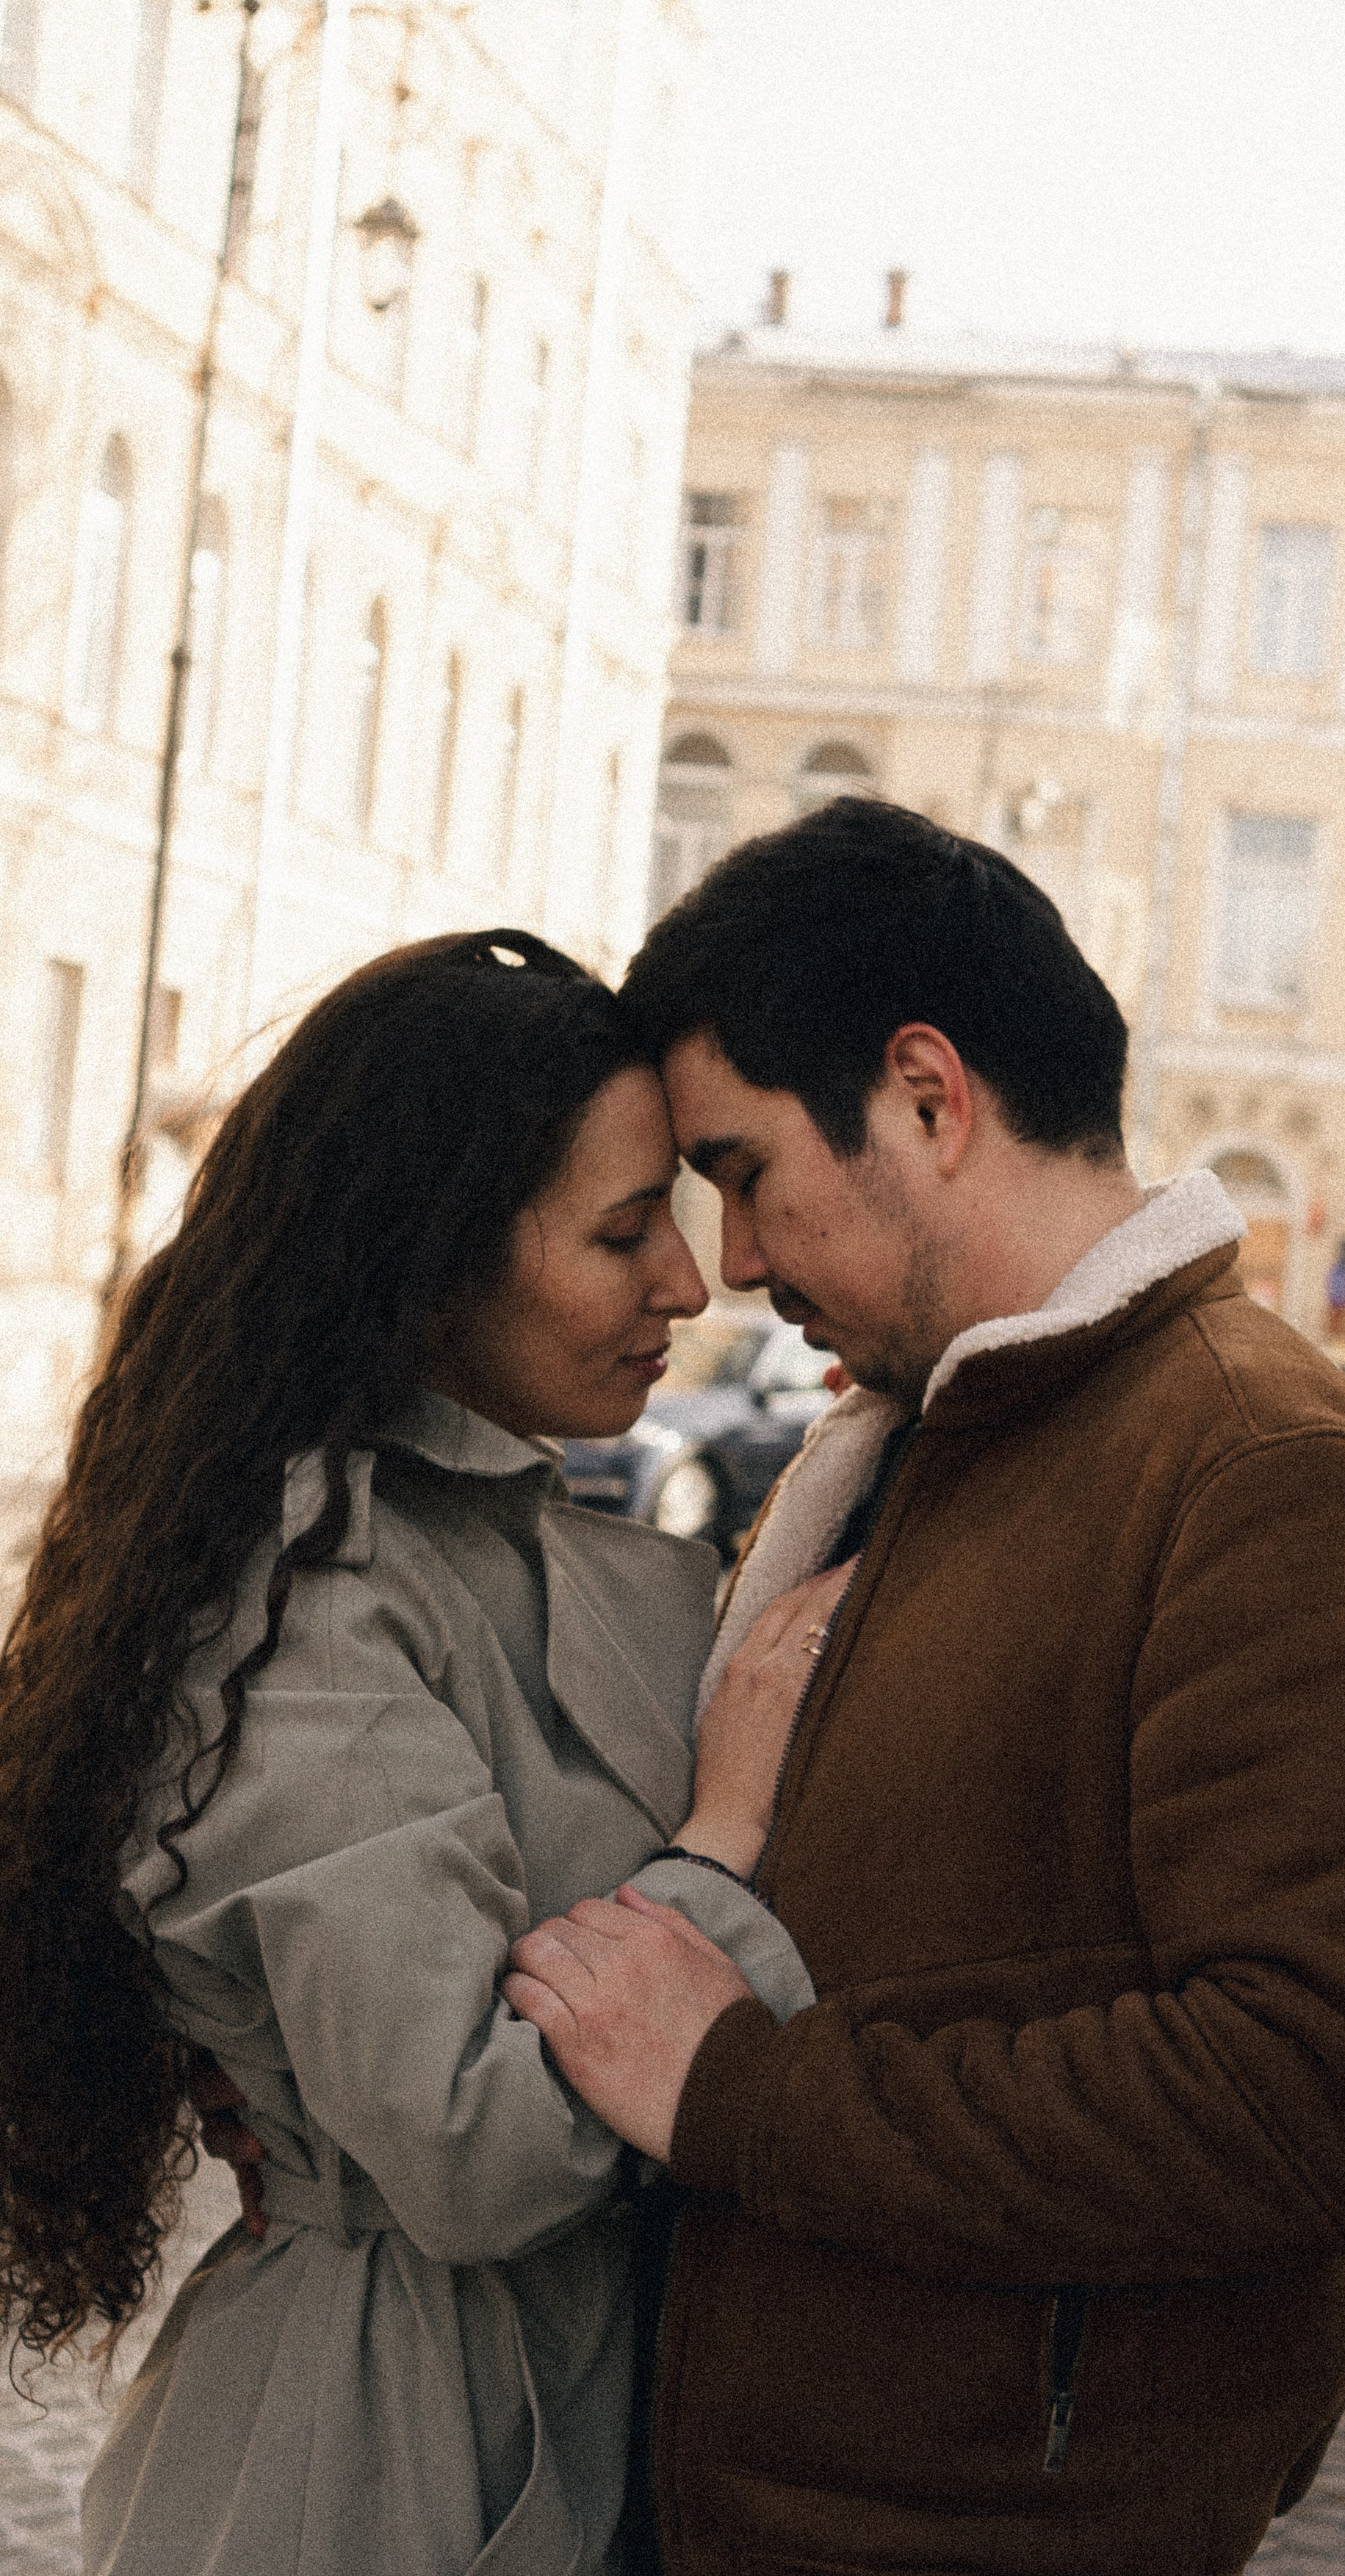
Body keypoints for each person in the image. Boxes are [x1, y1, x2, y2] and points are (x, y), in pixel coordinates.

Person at [503, 801, 1345, 2576]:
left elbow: (1322, 2091)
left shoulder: (1256, 1470)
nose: (729, 1264)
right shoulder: (926, 1430)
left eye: (741, 1171)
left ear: (928, 1099)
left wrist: (743, 2093)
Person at [0, 930, 843, 2576]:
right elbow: (470, 2146)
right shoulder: (301, 1598)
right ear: (435, 1259)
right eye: (620, 1234)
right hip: (380, 2460)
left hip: (544, 2417)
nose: (686, 1281)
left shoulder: (479, 1542)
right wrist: (724, 1844)